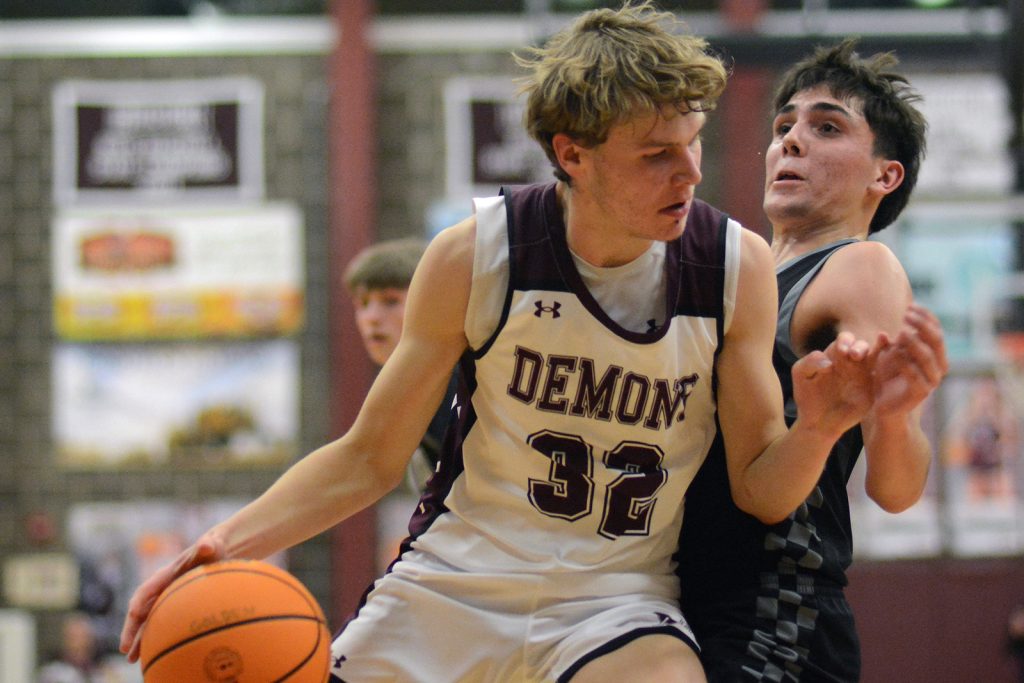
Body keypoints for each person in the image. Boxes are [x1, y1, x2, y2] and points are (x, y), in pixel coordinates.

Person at [121, 6, 904, 681]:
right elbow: (367, 458)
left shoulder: (733, 266)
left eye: (692, 142)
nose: (690, 173)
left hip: (616, 598)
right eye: (656, 154)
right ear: (572, 154)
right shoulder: (478, 254)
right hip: (453, 583)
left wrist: (819, 428)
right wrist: (222, 542)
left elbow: (762, 490)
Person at [677, 39, 949, 682]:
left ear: (884, 176)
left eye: (826, 127)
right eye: (783, 127)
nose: (792, 142)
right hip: (681, 592)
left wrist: (896, 416)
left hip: (773, 608)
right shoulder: (738, 270)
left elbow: (895, 491)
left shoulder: (860, 265)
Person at [344, 237, 457, 493]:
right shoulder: (409, 381)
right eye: (363, 304)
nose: (372, 318)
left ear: (437, 303)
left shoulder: (458, 381)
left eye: (391, 301)